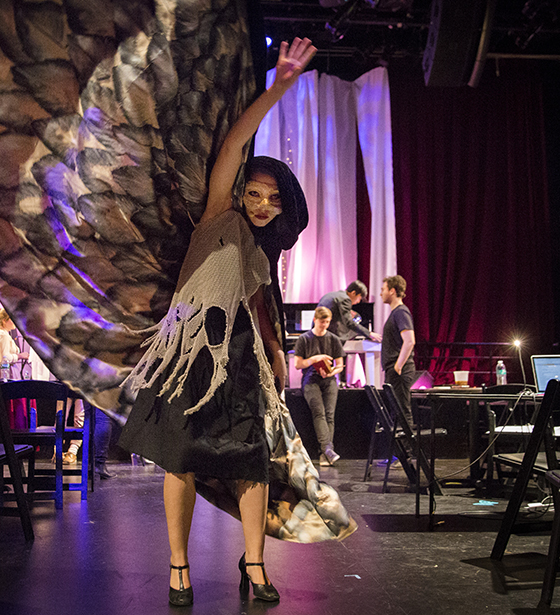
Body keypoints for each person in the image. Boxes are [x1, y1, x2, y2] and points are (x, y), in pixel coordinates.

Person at [119, 38, 318, 607]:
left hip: (240, 352)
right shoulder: (216, 217)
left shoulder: (262, 253)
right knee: (180, 459)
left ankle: (254, 564)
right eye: (253, 193)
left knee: (251, 459)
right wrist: (279, 86)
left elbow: (257, 306)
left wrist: (276, 352)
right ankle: (178, 565)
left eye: (272, 199)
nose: (261, 204)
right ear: (237, 192)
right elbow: (234, 143)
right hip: (190, 352)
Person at [293, 306, 345, 467]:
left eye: (327, 322)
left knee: (329, 414)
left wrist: (331, 372)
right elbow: (298, 364)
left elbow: (340, 365)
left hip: (329, 380)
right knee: (319, 412)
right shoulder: (304, 339)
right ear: (315, 320)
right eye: (322, 321)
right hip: (311, 380)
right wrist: (316, 359)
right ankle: (328, 450)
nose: (325, 325)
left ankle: (325, 453)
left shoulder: (333, 339)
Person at [380, 274, 416, 429]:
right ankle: (400, 444)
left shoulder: (401, 312)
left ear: (392, 291)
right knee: (397, 412)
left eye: (383, 289)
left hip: (399, 370)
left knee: (402, 411)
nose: (381, 293)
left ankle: (408, 445)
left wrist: (398, 366)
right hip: (394, 369)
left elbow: (410, 341)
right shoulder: (396, 313)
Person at [317, 281, 382, 343]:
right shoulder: (345, 299)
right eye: (359, 298)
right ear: (353, 293)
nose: (358, 302)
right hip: (329, 335)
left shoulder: (333, 295)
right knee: (354, 331)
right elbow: (349, 322)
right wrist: (369, 333)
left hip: (319, 331)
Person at [0, 307, 28, 380]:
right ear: (4, 321)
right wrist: (20, 356)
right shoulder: (2, 335)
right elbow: (4, 358)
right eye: (11, 319)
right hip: (3, 373)